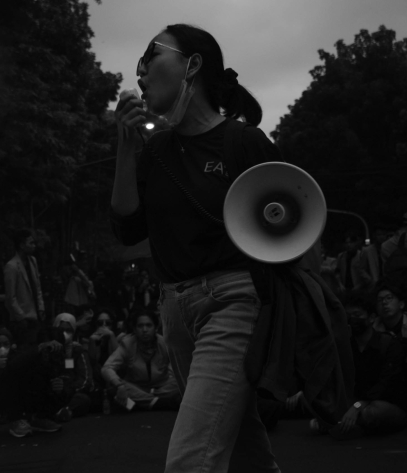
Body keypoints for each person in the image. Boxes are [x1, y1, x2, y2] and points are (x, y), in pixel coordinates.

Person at [112, 24, 285, 471]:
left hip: (232, 304)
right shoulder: (155, 152)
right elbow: (128, 229)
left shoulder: (244, 142)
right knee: (242, 445)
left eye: (152, 55)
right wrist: (126, 150)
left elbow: (291, 222)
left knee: (191, 459)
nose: (142, 71)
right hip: (176, 314)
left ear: (193, 65)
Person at [323, 292, 407, 439]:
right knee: (323, 405)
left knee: (373, 412)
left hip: (386, 403)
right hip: (357, 402)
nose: (352, 319)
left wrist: (358, 405)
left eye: (357, 314)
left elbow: (386, 385)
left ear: (371, 318)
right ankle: (349, 425)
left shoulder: (388, 344)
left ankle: (343, 425)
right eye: (348, 315)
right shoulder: (347, 347)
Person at [101, 312, 180, 412]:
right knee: (113, 386)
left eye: (148, 325)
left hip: (162, 388)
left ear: (156, 328)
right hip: (136, 388)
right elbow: (107, 368)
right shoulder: (127, 343)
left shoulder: (165, 343)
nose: (145, 330)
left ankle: (146, 402)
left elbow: (180, 366)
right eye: (140, 326)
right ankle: (160, 403)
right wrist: (119, 385)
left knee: (184, 380)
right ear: (134, 329)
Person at [4, 229, 45, 348]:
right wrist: (21, 317)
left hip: (35, 314)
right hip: (22, 319)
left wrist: (41, 307)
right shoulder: (11, 266)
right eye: (31, 243)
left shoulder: (32, 261)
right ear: (22, 245)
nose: (34, 246)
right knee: (25, 348)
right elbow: (10, 297)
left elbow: (37, 286)